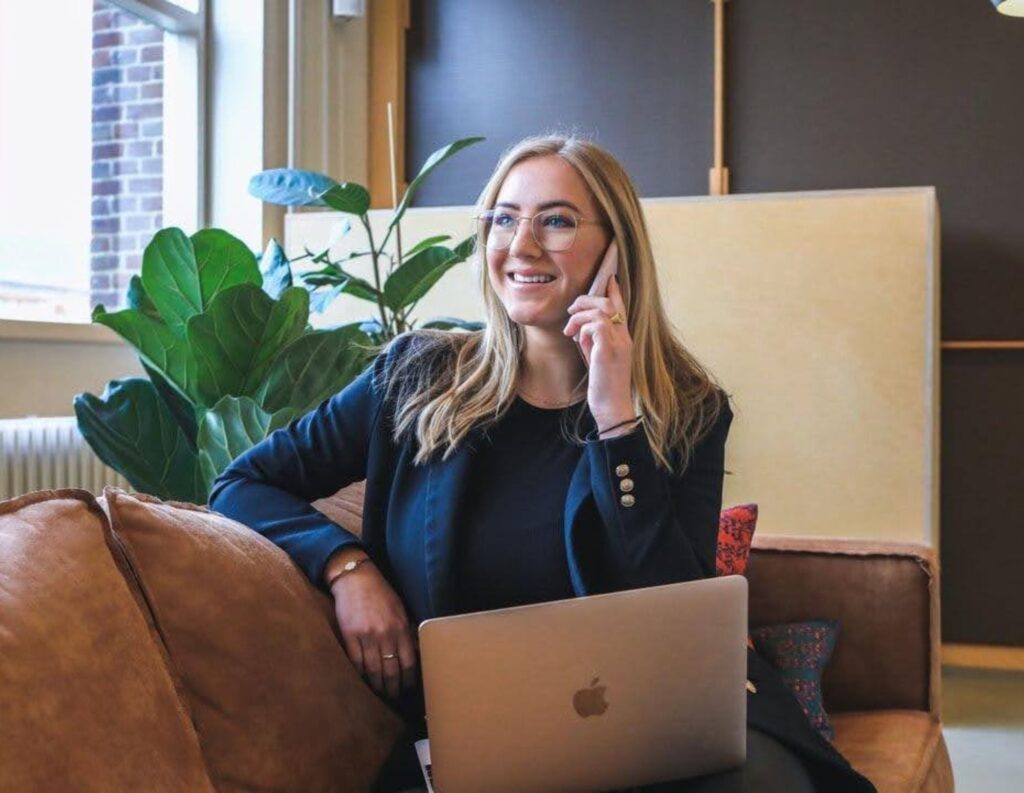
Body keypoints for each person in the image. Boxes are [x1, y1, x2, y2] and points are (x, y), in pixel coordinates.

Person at [209, 135, 876, 793]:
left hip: (656, 729)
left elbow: (677, 613)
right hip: (479, 739)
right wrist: (346, 567)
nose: (521, 244)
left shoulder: (687, 409)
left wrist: (617, 420)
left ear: (617, 250)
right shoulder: (414, 378)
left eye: (555, 220)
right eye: (504, 218)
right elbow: (240, 482)